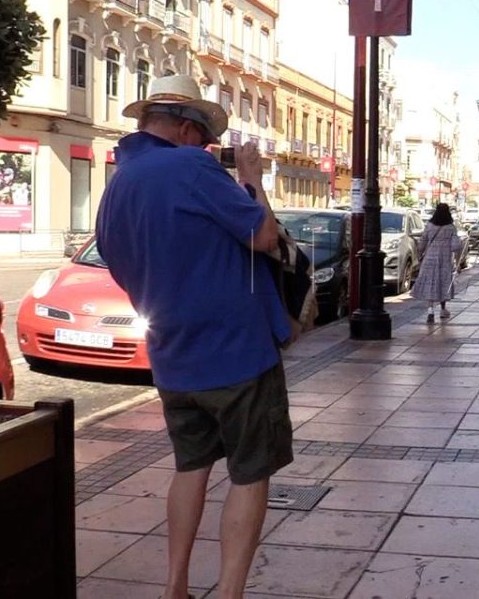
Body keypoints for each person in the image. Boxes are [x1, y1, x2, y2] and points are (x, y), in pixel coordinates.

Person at [95, 75, 293, 599]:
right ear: (186, 129)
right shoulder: (192, 166)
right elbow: (264, 235)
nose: (208, 149)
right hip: (236, 352)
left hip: (172, 357)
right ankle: (229, 592)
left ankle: (176, 586)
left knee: (191, 467)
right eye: (204, 138)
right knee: (251, 472)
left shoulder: (118, 185)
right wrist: (251, 177)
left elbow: (115, 260)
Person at [413, 203, 459, 323]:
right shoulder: (451, 227)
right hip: (444, 260)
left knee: (430, 283)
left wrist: (419, 253)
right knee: (442, 283)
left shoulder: (430, 225)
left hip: (430, 259)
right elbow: (456, 246)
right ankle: (443, 310)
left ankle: (430, 311)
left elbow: (422, 241)